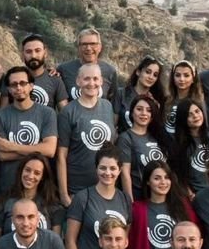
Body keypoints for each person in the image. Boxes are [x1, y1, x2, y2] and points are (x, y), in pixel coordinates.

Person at [56, 63, 118, 200]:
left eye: (95, 79)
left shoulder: (107, 107)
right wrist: (64, 194)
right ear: (78, 81)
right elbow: (61, 155)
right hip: (77, 190)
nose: (92, 83)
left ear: (101, 81)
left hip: (105, 187)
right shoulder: (68, 112)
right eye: (86, 79)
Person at [65, 149, 133, 249]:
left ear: (119, 170)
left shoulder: (125, 199)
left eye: (112, 168)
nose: (107, 173)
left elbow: (124, 239)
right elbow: (70, 240)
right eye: (103, 168)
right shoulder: (82, 198)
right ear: (96, 169)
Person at [129, 161, 195, 249]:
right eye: (157, 178)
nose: (163, 182)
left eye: (167, 177)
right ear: (148, 181)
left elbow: (195, 235)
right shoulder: (137, 209)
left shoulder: (183, 206)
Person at [0, 153, 65, 235]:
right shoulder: (3, 202)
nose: (31, 176)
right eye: (27, 170)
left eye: (37, 173)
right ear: (21, 170)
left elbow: (56, 241)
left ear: (42, 177)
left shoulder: (52, 205)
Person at [168, 98, 209, 188]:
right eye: (190, 114)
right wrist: (189, 193)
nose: (195, 116)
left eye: (197, 111)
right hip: (197, 194)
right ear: (183, 119)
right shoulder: (178, 145)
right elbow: (178, 175)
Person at [57, 28, 120, 111]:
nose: (88, 48)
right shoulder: (64, 69)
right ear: (78, 47)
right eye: (84, 44)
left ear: (100, 47)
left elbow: (114, 104)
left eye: (93, 44)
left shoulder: (110, 71)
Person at [117, 95, 166, 196]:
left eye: (148, 110)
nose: (144, 113)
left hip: (159, 196)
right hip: (139, 196)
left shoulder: (158, 136)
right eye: (139, 109)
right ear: (132, 112)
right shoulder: (125, 138)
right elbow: (125, 173)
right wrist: (130, 202)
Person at [18, 33, 71, 111]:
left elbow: (65, 113)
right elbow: (4, 110)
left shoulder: (55, 80)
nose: (33, 56)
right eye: (28, 51)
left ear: (45, 53)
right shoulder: (13, 79)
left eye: (37, 51)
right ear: (22, 55)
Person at [119, 56, 166, 133]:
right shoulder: (121, 94)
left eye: (155, 75)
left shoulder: (155, 102)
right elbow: (113, 122)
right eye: (148, 72)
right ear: (138, 72)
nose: (151, 77)